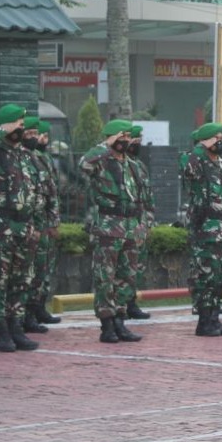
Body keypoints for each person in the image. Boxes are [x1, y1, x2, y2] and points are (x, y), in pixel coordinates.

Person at [0, 104, 41, 352]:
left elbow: (34, 192)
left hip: (25, 225)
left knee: (21, 280)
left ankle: (17, 329)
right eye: (16, 123)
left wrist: (35, 224)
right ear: (5, 125)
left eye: (22, 123)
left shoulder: (24, 155)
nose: (21, 127)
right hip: (1, 226)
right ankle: (1, 332)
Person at [79, 119, 144, 344]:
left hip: (130, 227)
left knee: (126, 278)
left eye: (128, 136)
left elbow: (142, 198)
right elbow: (83, 163)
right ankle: (107, 325)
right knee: (105, 277)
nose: (125, 140)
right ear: (111, 137)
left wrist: (142, 225)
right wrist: (106, 145)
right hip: (108, 226)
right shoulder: (101, 162)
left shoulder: (133, 166)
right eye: (121, 136)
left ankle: (120, 321)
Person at [181, 122, 222, 337]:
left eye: (221, 137)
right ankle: (204, 321)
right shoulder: (195, 160)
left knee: (221, 276)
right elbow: (187, 166)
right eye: (216, 138)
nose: (220, 142)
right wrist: (200, 146)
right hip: (206, 228)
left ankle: (215, 318)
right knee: (205, 276)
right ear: (205, 141)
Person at [22, 118, 62, 333]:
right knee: (31, 270)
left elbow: (51, 192)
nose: (41, 139)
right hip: (30, 222)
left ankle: (38, 308)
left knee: (44, 268)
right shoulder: (26, 158)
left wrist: (53, 220)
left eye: (43, 135)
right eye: (37, 135)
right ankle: (27, 314)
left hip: (43, 222)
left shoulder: (43, 159)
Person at [124, 124, 153, 319]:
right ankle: (120, 305)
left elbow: (147, 197)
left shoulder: (139, 166)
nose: (138, 145)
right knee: (122, 267)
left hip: (139, 222)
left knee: (137, 266)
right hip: (123, 224)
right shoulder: (118, 164)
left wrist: (148, 222)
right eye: (135, 141)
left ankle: (131, 302)